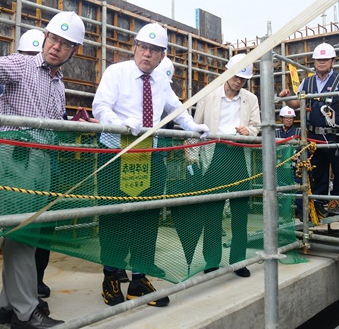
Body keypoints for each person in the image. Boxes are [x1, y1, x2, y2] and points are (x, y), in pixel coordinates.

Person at [0, 11, 86, 329]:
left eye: (65, 44)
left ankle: (8, 307)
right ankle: (25, 312)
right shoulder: (23, 65)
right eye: (53, 39)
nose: (56, 47)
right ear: (45, 38)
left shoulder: (58, 84)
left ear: (72, 51)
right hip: (15, 159)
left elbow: (54, 125)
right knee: (22, 235)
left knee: (25, 235)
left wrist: (76, 125)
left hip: (41, 161)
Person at [92, 22, 209, 307]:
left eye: (154, 50)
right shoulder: (116, 73)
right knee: (114, 217)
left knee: (147, 218)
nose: (147, 54)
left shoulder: (161, 82)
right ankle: (110, 276)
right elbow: (100, 106)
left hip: (150, 158)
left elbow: (176, 109)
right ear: (134, 47)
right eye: (143, 47)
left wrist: (193, 125)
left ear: (162, 55)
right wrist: (120, 125)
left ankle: (139, 278)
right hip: (116, 155)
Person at [0, 28, 53, 298]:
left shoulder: (52, 82)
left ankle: (16, 299)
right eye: (27, 56)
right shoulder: (6, 84)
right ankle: (23, 302)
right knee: (21, 235)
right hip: (16, 165)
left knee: (37, 234)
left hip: (42, 166)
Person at [194, 53, 261, 278]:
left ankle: (238, 261)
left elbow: (256, 126)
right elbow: (196, 125)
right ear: (227, 72)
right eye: (236, 76)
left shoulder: (250, 99)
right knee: (212, 211)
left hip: (239, 155)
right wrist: (192, 154)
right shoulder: (208, 95)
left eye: (243, 78)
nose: (238, 81)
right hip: (215, 154)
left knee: (240, 212)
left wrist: (248, 131)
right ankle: (211, 261)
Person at [278, 42, 339, 216]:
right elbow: (296, 105)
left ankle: (337, 203)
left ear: (333, 61)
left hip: (337, 134)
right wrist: (286, 98)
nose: (321, 63)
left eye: (325, 59)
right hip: (314, 134)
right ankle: (319, 203)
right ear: (314, 62)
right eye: (318, 60)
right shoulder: (306, 82)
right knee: (317, 170)